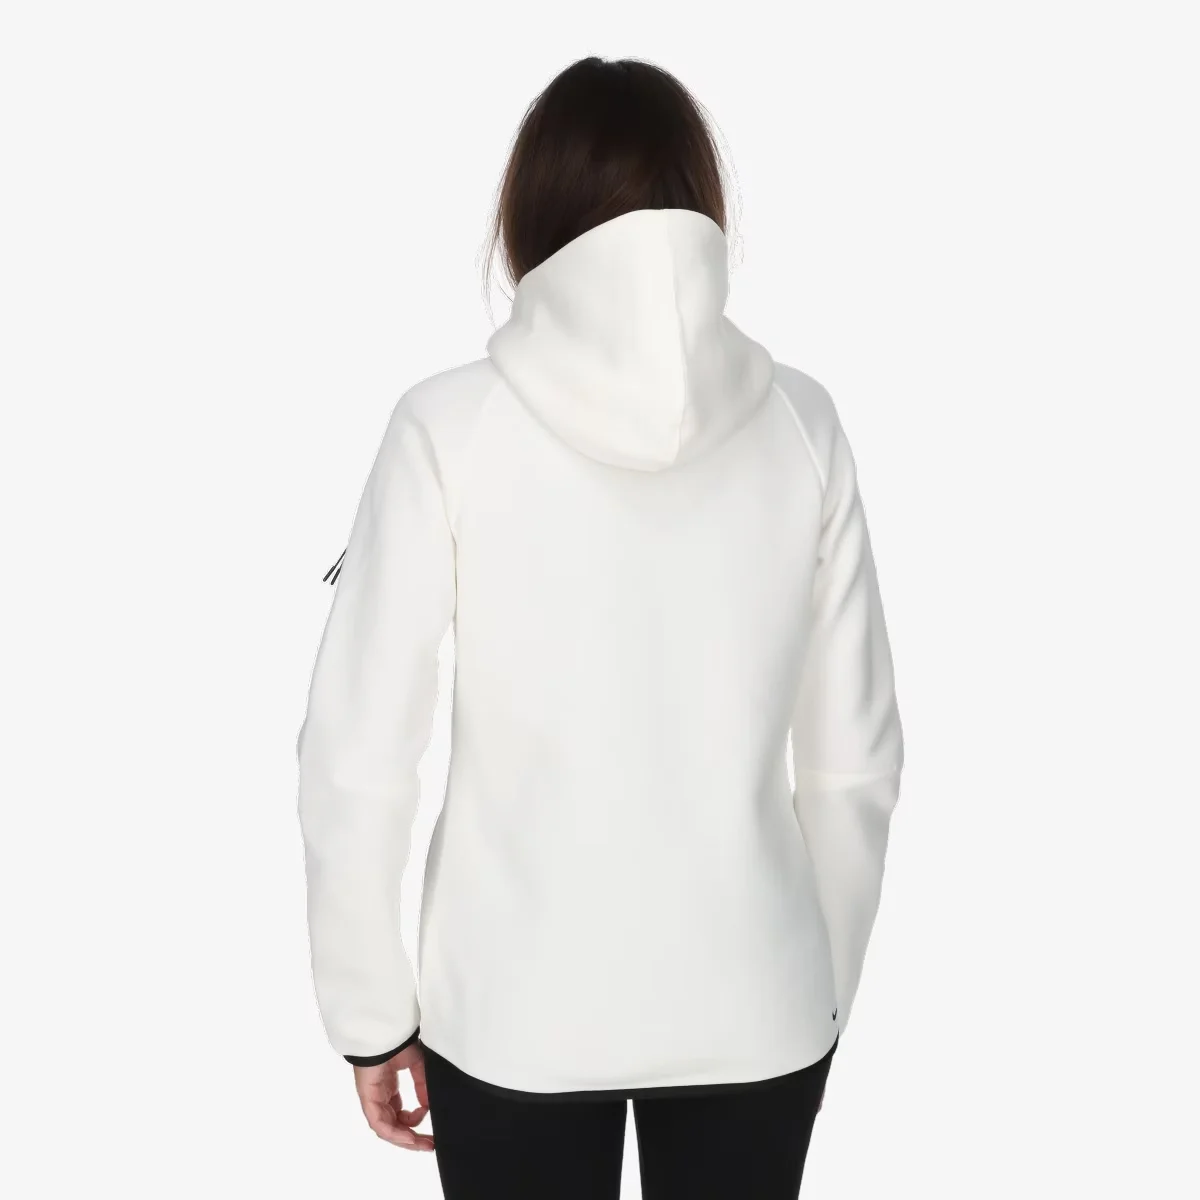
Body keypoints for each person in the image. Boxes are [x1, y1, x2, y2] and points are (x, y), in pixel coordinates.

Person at [297, 55, 904, 1200]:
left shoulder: (447, 426)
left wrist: (371, 1012)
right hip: (757, 1004)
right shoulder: (801, 424)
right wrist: (816, 993)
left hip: (510, 1014)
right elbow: (855, 762)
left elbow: (358, 753)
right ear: (704, 207)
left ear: (528, 215)